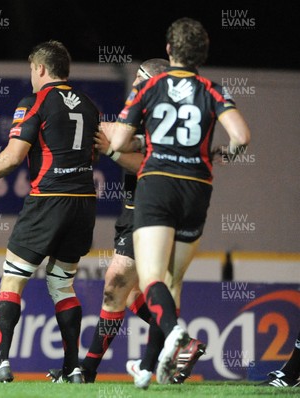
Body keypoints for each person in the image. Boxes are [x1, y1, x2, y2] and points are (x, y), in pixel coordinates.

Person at [110, 18, 251, 388]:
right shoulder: (212, 90)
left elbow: (119, 142)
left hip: (157, 185)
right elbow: (241, 136)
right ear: (201, 55)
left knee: (151, 276)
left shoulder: (151, 87)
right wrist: (226, 153)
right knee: (172, 282)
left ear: (169, 50)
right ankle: (146, 367)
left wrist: (141, 142)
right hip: (197, 189)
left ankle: (177, 336)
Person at [0, 40, 99, 383]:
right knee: (62, 285)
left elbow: (14, 156)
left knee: (12, 280)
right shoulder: (89, 106)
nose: (31, 76)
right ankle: (73, 368)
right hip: (84, 202)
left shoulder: (36, 101)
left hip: (48, 199)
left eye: (32, 70)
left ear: (41, 69)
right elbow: (97, 153)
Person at [49, 59, 206, 386]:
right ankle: (172, 343)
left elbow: (146, 164)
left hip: (149, 213)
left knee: (116, 285)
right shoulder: (144, 111)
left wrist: (113, 151)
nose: (136, 84)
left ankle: (88, 370)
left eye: (141, 78)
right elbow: (108, 132)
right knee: (133, 290)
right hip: (140, 210)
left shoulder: (162, 119)